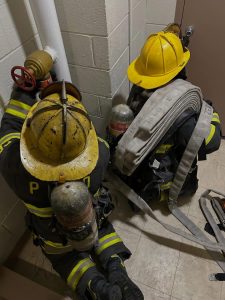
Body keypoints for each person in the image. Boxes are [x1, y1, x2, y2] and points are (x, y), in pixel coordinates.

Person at [0, 81, 144, 300]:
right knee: (103, 231)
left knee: (65, 258)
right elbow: (88, 137)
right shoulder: (100, 156)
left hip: (52, 234)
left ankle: (95, 288)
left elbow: (9, 129)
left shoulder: (14, 167)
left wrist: (24, 91)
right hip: (92, 218)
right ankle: (117, 272)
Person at [109, 29, 221, 206]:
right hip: (159, 176)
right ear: (179, 67)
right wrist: (212, 114)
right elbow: (213, 142)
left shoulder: (138, 90)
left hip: (137, 166)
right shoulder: (185, 113)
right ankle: (162, 193)